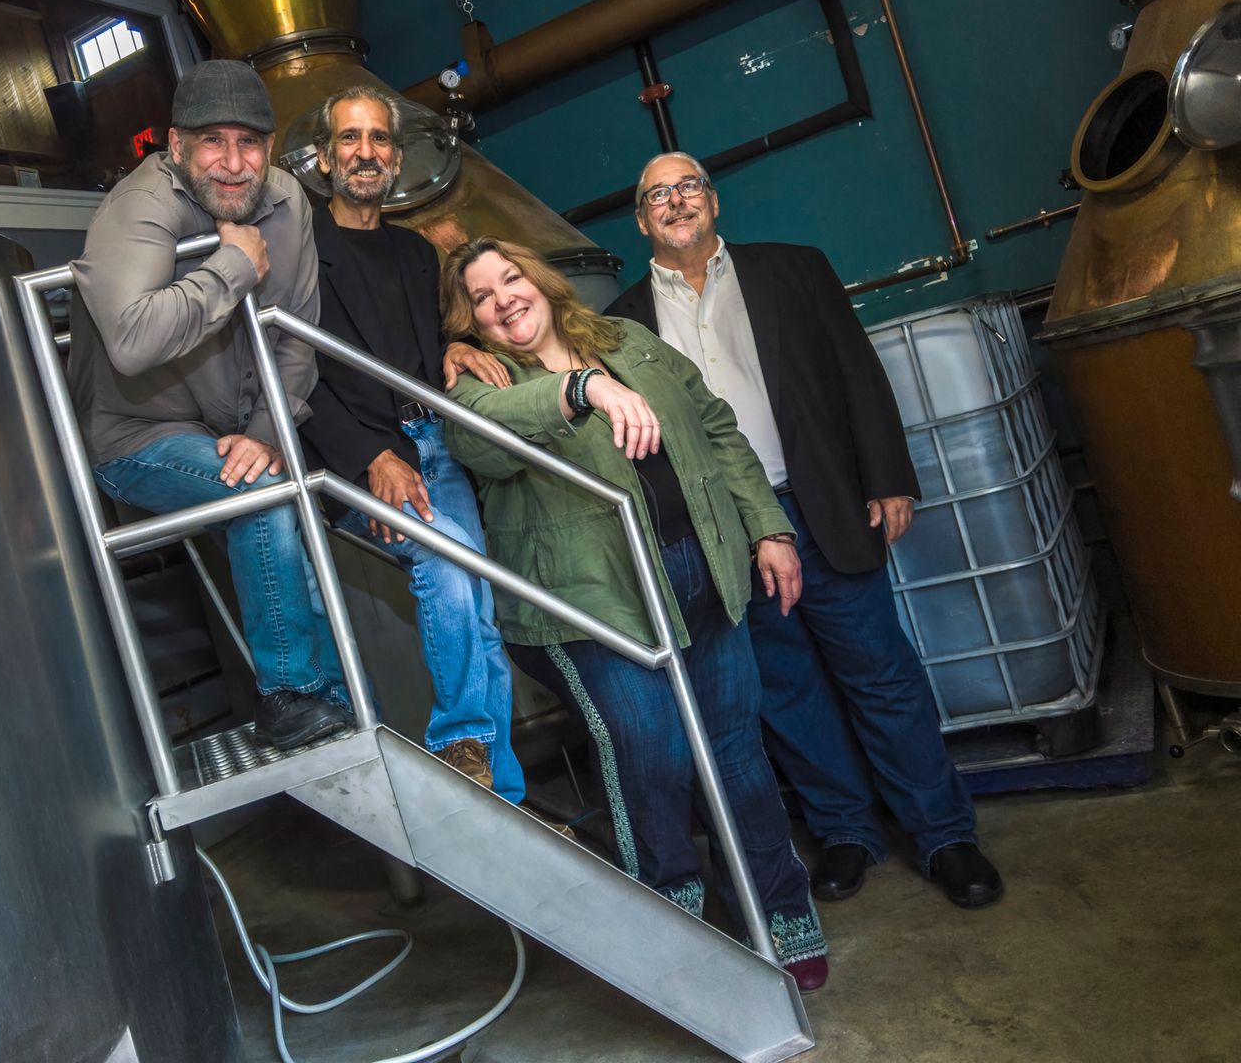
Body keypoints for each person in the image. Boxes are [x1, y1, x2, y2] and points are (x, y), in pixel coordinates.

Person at [609, 151, 1003, 909]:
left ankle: (943, 833)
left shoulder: (794, 268)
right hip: (729, 534)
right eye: (658, 194)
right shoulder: (622, 323)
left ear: (713, 201)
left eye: (689, 186)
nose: (676, 201)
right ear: (640, 219)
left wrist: (888, 476)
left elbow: (856, 371)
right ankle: (846, 830)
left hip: (823, 506)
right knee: (786, 690)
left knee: (880, 673)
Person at [439, 237, 829, 991]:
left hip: (700, 570)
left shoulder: (626, 338)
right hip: (591, 604)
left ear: (540, 282)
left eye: (511, 278)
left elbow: (715, 427)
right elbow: (481, 443)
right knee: (652, 756)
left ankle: (777, 908)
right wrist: (583, 389)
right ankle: (672, 927)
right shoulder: (482, 384)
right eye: (481, 296)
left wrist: (768, 528)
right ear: (471, 320)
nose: (503, 299)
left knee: (736, 751)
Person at [68, 59, 350, 752]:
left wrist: (266, 431)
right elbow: (131, 339)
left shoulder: (286, 200)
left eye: (249, 143)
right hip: (138, 437)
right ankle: (289, 698)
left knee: (281, 510)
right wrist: (232, 267)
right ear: (176, 144)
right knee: (262, 494)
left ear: (270, 146)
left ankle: (338, 706)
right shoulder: (139, 205)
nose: (232, 162)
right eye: (211, 142)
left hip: (237, 428)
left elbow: (298, 336)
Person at [298, 86, 529, 803]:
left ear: (396, 159)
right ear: (326, 157)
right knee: (448, 569)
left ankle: (502, 795)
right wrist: (371, 459)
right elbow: (292, 377)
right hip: (365, 458)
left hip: (436, 444)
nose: (365, 152)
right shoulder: (297, 253)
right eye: (350, 138)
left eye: (378, 139)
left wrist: (455, 346)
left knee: (478, 612)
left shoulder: (415, 252)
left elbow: (427, 340)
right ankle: (460, 742)